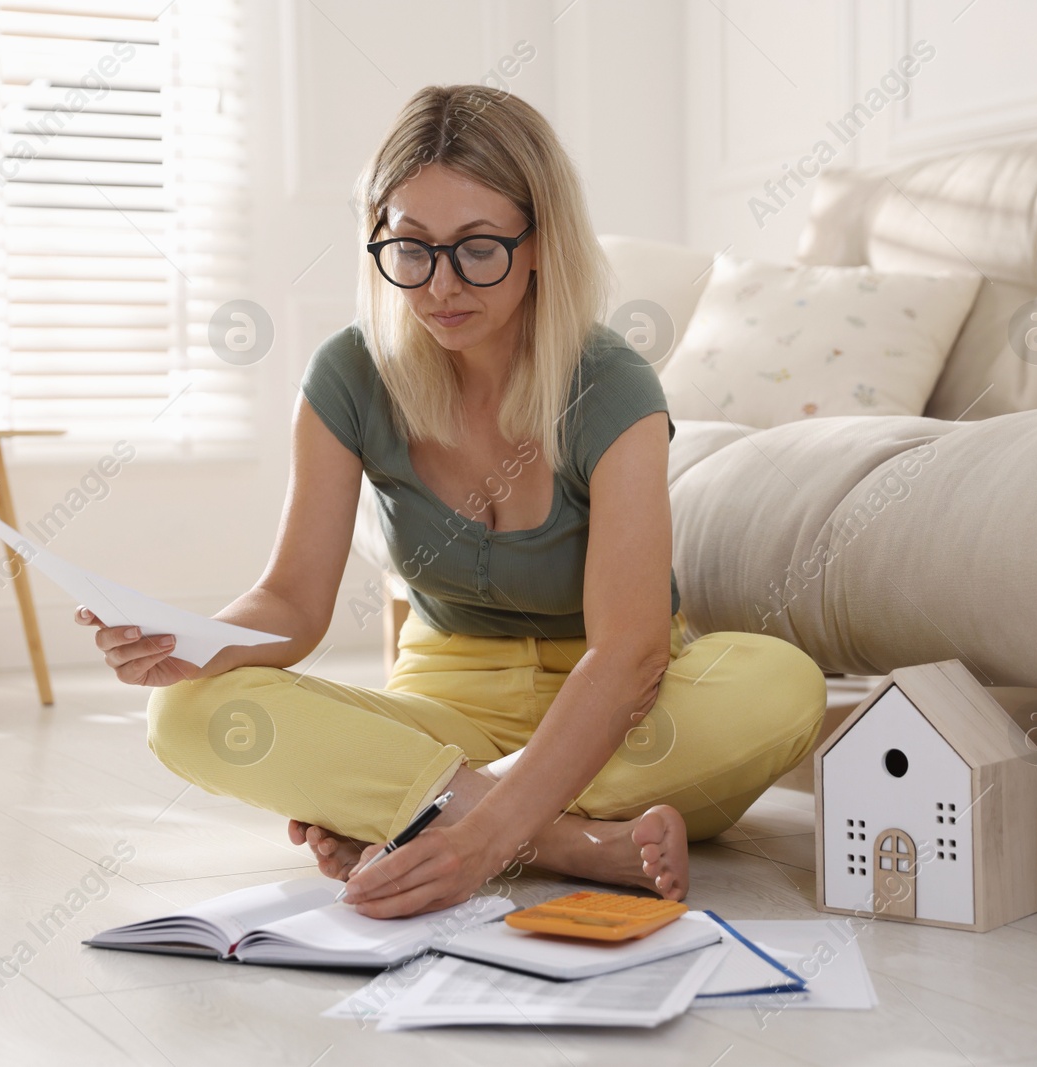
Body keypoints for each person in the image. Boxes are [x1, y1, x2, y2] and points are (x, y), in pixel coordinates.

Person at [77, 84, 827, 920]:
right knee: (184, 711)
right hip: (447, 703)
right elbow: (291, 600)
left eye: (478, 248)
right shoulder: (348, 377)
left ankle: (428, 810)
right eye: (411, 249)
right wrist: (197, 642)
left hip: (625, 713)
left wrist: (479, 839)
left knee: (783, 686)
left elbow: (631, 655)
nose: (440, 286)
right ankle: (575, 842)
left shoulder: (610, 385)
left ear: (540, 241)